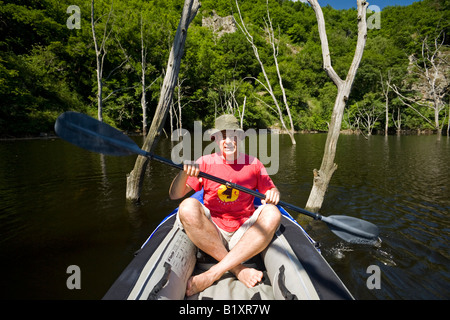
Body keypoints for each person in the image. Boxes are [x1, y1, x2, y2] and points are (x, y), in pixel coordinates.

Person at [169, 114, 281, 297]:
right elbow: (175, 195)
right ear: (215, 139)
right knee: (187, 206)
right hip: (213, 233)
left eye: (233, 136)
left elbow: (271, 190)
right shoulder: (204, 162)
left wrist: (274, 193)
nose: (228, 141)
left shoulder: (254, 163)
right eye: (222, 136)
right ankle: (238, 269)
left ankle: (212, 273)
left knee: (273, 213)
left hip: (244, 232)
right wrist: (183, 174)